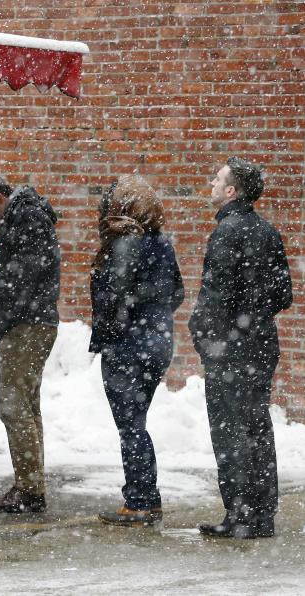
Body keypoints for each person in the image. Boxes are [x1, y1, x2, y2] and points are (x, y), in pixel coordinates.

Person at [190, 157, 292, 539]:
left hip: (231, 351)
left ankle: (240, 515)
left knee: (231, 433)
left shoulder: (226, 233)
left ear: (232, 191)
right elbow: (285, 294)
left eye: (218, 181)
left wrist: (205, 336)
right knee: (257, 428)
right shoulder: (267, 231)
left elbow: (213, 298)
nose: (213, 185)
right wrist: (254, 314)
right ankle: (262, 513)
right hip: (262, 345)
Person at [0, 171, 60, 514]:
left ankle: (29, 490)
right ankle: (30, 486)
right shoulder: (25, 217)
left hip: (27, 325)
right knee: (27, 407)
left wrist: (8, 313)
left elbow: (27, 274)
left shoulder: (26, 218)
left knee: (14, 407)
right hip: (31, 322)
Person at [89, 177, 184, 527]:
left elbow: (112, 299)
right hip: (158, 342)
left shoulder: (125, 243)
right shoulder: (162, 242)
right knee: (137, 423)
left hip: (128, 346)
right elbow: (177, 293)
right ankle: (146, 496)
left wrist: (117, 327)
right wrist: (154, 318)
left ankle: (141, 500)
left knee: (131, 427)